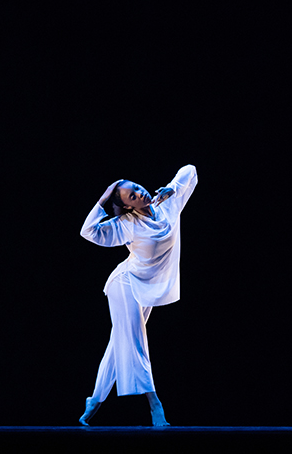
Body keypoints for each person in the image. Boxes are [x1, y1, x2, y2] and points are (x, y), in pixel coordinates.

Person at [78, 164, 198, 427]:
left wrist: (172, 188)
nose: (139, 193)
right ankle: (155, 404)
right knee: (134, 340)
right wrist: (102, 200)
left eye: (136, 188)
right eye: (132, 196)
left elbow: (190, 170)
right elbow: (88, 232)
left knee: (118, 344)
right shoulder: (127, 224)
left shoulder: (167, 204)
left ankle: (95, 400)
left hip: (146, 287)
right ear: (128, 207)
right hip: (126, 284)